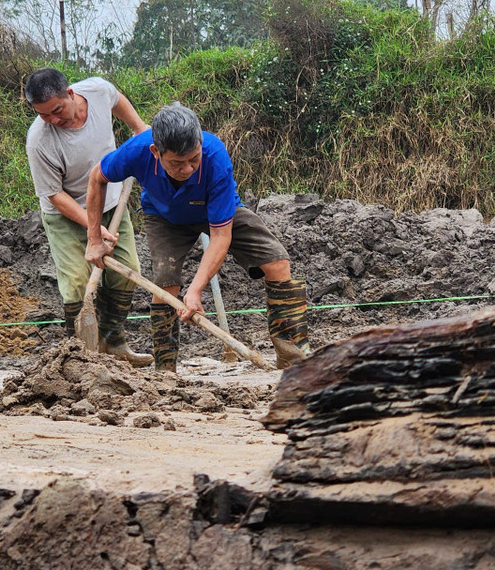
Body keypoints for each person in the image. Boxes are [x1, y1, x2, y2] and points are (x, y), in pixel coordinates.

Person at [84, 103, 311, 373]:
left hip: (213, 211)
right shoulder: (136, 151)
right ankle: (165, 373)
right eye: (177, 163)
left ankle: (294, 361)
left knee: (276, 262)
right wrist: (94, 238)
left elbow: (220, 236)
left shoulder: (215, 157)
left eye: (194, 159)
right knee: (166, 285)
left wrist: (195, 291)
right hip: (164, 216)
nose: (188, 169)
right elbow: (97, 178)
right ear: (156, 153)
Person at [24, 67, 152, 366]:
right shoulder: (39, 140)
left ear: (70, 94)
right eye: (44, 115)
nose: (53, 120)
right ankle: (78, 359)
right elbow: (54, 195)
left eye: (57, 110)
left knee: (126, 270)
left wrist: (138, 127)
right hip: (65, 215)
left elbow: (116, 98)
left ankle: (114, 344)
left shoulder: (96, 90)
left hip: (109, 202)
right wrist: (93, 230)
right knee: (78, 283)